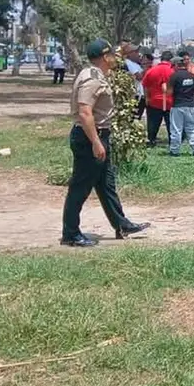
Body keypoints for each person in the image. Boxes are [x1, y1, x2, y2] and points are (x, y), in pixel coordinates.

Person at [60, 39, 151, 248]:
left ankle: (121, 225)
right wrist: (95, 142)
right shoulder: (91, 79)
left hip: (99, 135)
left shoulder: (98, 75)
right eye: (111, 54)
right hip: (90, 137)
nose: (114, 57)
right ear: (104, 57)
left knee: (106, 184)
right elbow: (85, 112)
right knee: (80, 186)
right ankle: (71, 233)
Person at [166, 57, 194, 156]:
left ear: (176, 65)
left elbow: (169, 92)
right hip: (190, 106)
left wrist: (165, 87)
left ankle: (175, 151)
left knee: (176, 129)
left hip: (177, 105)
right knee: (191, 128)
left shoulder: (174, 76)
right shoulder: (192, 76)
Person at [141, 50, 174, 147]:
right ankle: (172, 142)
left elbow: (145, 84)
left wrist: (147, 97)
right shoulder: (173, 71)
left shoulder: (152, 70)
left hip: (154, 101)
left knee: (152, 124)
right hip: (169, 102)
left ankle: (151, 141)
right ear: (170, 60)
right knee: (171, 124)